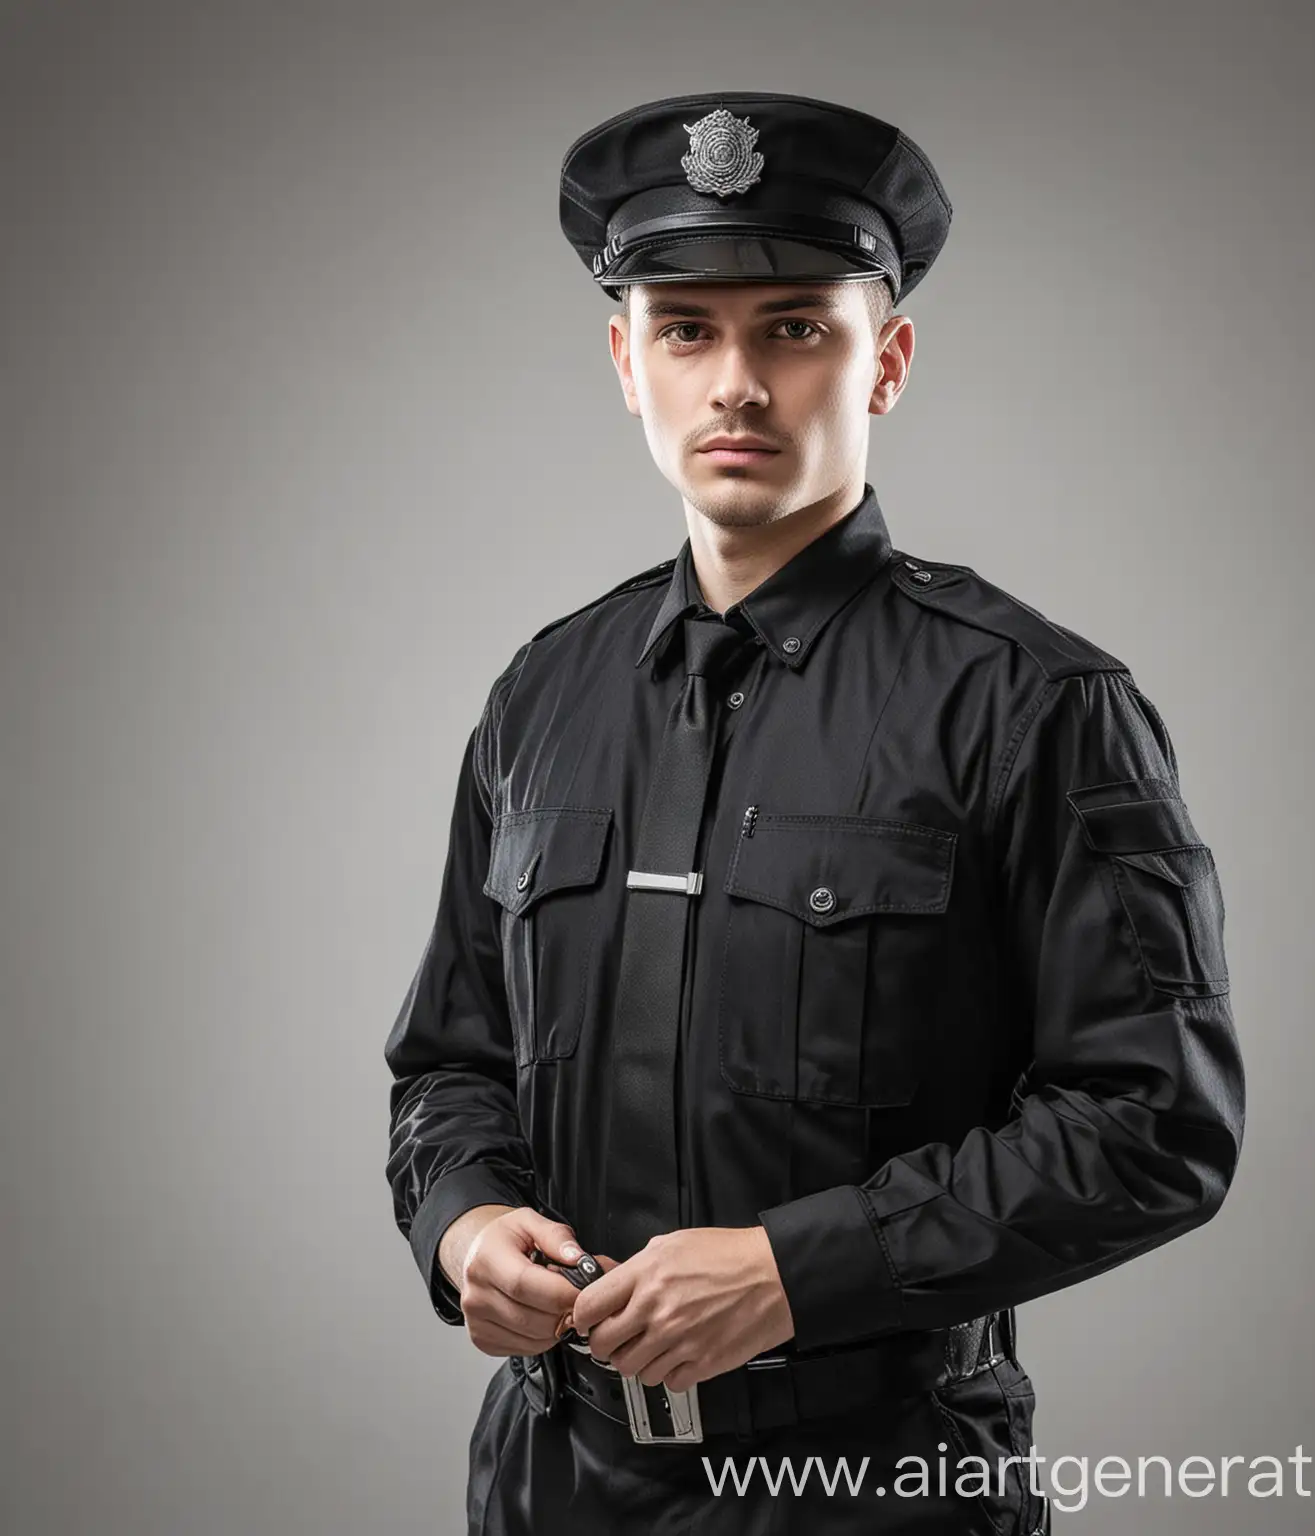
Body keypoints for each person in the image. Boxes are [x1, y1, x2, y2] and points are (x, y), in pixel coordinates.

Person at [384, 91, 1245, 1535]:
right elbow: (449, 1062)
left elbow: (1155, 1124)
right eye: (686, 330)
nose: (735, 384)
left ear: (885, 360)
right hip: (551, 1482)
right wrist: (462, 1219)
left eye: (793, 328)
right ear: (625, 360)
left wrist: (798, 1271)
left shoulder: (1031, 702)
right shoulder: (542, 695)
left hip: (873, 1485)